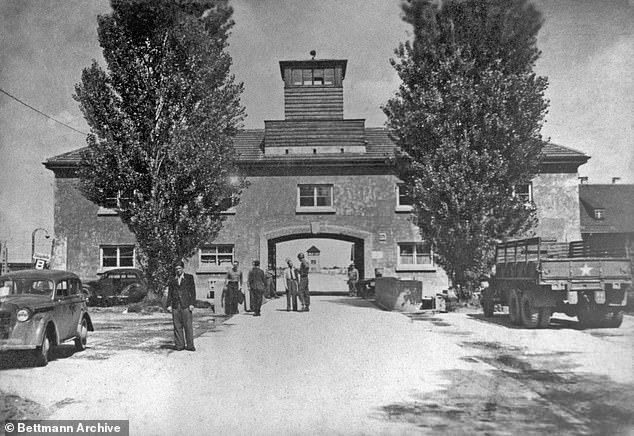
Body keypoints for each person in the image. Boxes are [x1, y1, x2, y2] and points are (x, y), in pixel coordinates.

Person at [167, 261, 197, 351]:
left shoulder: (189, 278)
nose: (178, 270)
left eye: (179, 268)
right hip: (176, 305)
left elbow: (193, 292)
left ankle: (190, 346)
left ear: (183, 268)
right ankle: (180, 345)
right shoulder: (172, 279)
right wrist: (169, 305)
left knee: (188, 326)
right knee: (177, 326)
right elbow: (170, 293)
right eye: (176, 269)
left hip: (186, 305)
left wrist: (192, 304)